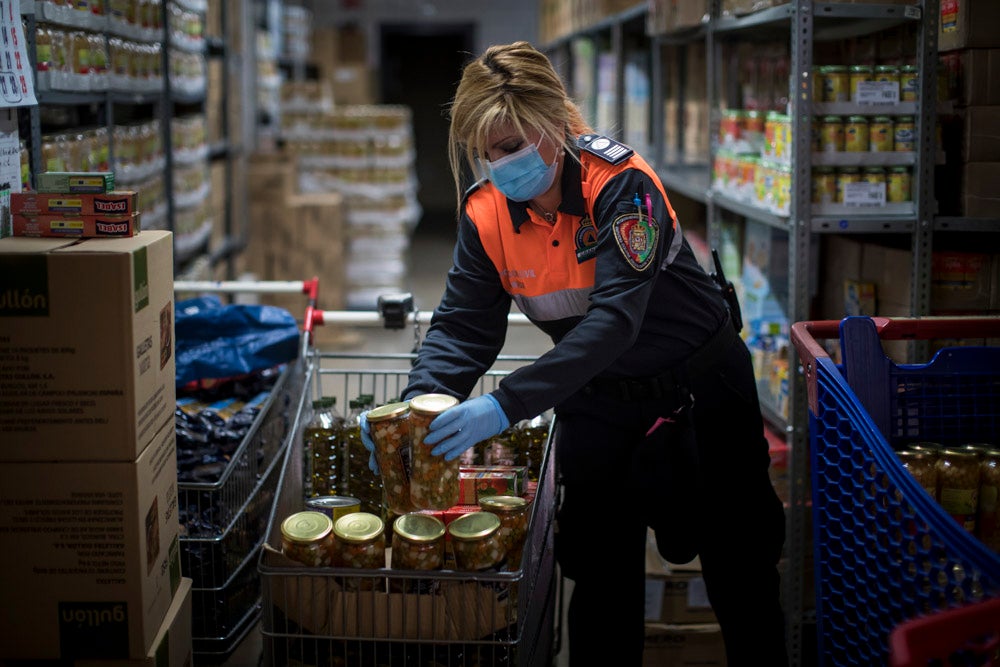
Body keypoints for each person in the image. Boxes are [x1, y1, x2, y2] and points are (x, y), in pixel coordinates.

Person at [361, 40, 788, 666]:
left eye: (511, 145)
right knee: (599, 571)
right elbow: (462, 327)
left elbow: (614, 322)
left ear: (556, 123)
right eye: (484, 152)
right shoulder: (486, 214)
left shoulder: (621, 186)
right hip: (597, 400)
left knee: (740, 565)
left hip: (700, 394)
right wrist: (418, 405)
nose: (499, 163)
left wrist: (504, 405)